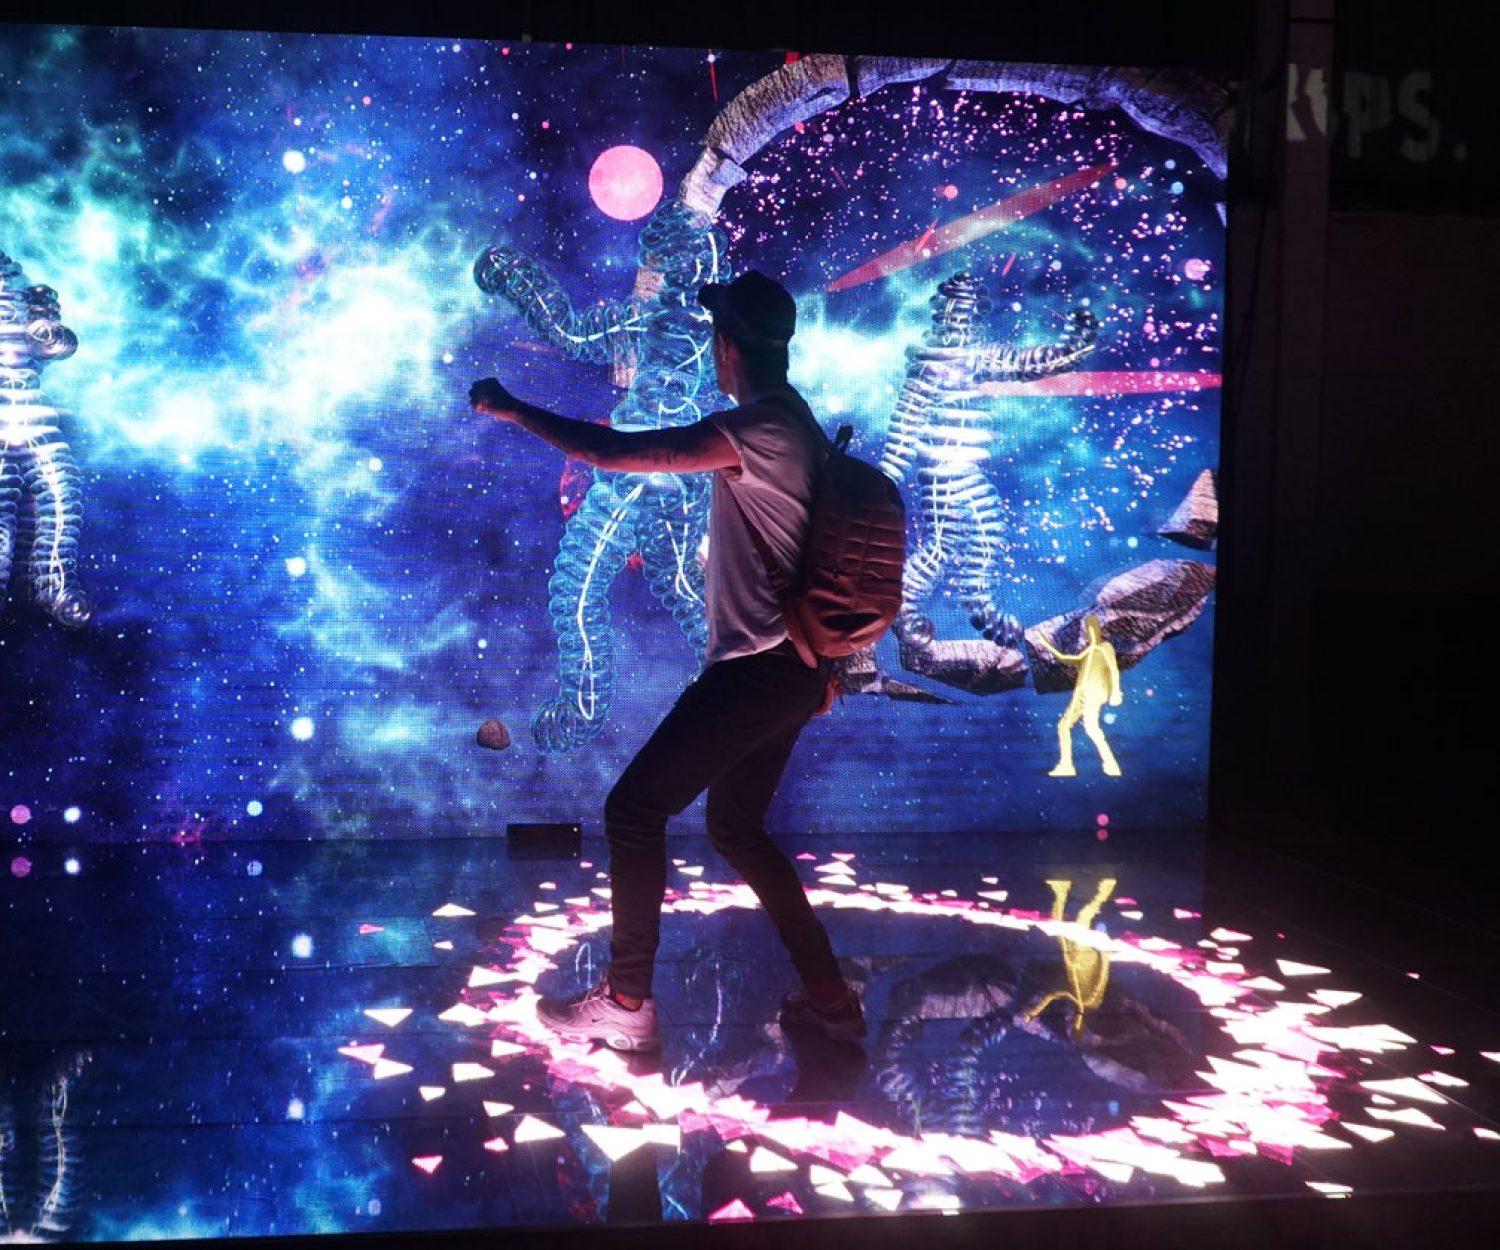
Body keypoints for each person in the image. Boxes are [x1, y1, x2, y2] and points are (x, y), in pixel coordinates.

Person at [469, 270, 864, 1052]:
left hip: (756, 668)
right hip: (792, 669)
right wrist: (831, 668)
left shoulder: (759, 430)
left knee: (633, 811)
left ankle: (626, 1001)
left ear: (726, 348)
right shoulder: (800, 428)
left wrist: (515, 409)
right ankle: (828, 996)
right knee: (738, 828)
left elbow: (618, 453)